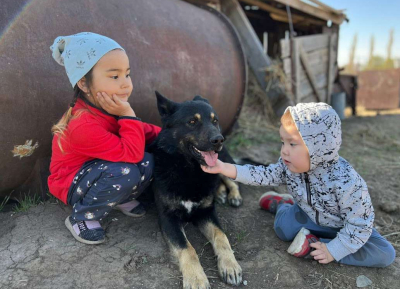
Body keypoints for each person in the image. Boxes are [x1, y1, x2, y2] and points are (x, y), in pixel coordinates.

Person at [202, 103, 395, 267]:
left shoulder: (347, 182)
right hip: (307, 214)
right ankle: (282, 205)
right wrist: (225, 167)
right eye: (282, 142)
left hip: (344, 227)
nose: (284, 151)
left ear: (318, 147)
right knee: (282, 229)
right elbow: (262, 174)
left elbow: (360, 225)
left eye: (292, 144)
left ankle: (315, 245)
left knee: (385, 254)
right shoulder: (289, 165)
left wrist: (334, 250)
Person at [48, 32, 161, 244]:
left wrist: (175, 137)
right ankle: (81, 217)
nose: (126, 84)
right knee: (127, 170)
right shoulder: (82, 124)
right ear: (83, 83)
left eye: (127, 74)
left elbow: (144, 132)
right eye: (114, 76)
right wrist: (128, 115)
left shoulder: (108, 107)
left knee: (150, 160)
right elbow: (132, 153)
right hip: (72, 183)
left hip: (100, 170)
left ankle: (119, 198)